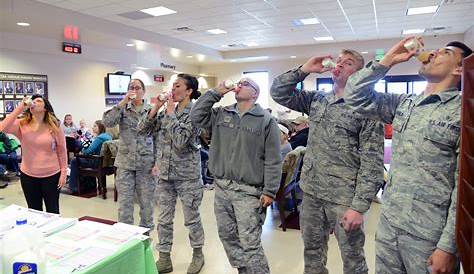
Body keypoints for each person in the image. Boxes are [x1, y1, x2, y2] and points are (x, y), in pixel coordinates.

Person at [344, 38, 472, 274]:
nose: (432, 53)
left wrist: (448, 247)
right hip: (389, 225)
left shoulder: (464, 112)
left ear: (459, 68)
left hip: (428, 236)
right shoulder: (404, 103)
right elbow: (354, 97)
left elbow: (464, 188)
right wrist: (387, 61)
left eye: (444, 52)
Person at [271, 49, 384, 274]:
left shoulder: (367, 107)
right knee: (312, 253)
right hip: (312, 192)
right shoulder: (318, 99)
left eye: (348, 63)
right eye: (339, 61)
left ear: (358, 74)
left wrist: (359, 207)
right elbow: (279, 92)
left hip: (344, 198)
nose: (339, 65)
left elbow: (373, 163)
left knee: (352, 259)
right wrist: (304, 70)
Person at [190, 77, 281, 274]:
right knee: (227, 235)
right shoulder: (222, 114)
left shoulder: (265, 120)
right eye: (239, 82)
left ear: (255, 93)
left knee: (250, 242)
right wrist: (216, 92)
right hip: (222, 187)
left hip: (249, 191)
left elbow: (274, 159)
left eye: (246, 84)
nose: (239, 86)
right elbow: (196, 116)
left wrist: (270, 191)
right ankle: (243, 270)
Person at [139, 74, 205, 274]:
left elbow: (181, 140)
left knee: (191, 218)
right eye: (172, 85)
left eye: (177, 86)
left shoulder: (195, 113)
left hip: (188, 176)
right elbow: (142, 130)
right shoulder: (168, 110)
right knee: (164, 219)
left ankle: (198, 254)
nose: (173, 89)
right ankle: (165, 258)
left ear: (189, 91)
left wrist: (168, 112)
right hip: (165, 175)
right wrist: (156, 108)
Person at [103, 79, 156, 229]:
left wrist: (158, 162)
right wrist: (122, 102)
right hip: (125, 163)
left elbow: (158, 138)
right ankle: (127, 240)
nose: (134, 90)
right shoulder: (122, 109)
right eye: (131, 87)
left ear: (143, 91)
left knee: (146, 205)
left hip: (146, 164)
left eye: (137, 88)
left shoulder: (152, 110)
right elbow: (107, 122)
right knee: (125, 205)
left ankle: (145, 240)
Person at [0, 94, 67, 213]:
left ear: (45, 108)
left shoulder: (54, 126)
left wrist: (63, 173)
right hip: (28, 176)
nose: (34, 103)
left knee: (53, 211)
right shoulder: (22, 124)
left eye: (38, 100)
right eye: (33, 100)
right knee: (34, 213)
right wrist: (21, 107)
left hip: (52, 175)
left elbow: (62, 150)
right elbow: (2, 127)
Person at [64, 120, 112, 194]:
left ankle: (73, 187)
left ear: (101, 127)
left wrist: (83, 149)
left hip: (96, 162)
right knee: (81, 159)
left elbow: (88, 151)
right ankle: (90, 185)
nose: (93, 127)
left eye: (95, 126)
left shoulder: (99, 138)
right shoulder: (108, 136)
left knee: (74, 160)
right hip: (105, 162)